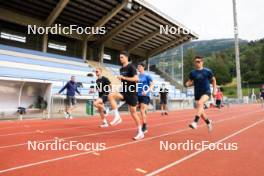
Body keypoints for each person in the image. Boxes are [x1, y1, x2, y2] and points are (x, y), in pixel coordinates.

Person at [108, 51, 144, 140]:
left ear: (127, 57)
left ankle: (140, 132)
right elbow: (124, 82)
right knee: (111, 95)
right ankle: (117, 117)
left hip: (132, 93)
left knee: (133, 113)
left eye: (122, 57)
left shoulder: (131, 66)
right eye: (120, 57)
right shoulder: (121, 69)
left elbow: (136, 79)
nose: (120, 59)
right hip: (124, 91)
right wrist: (119, 85)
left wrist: (123, 77)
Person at [185, 56, 217, 132]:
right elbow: (190, 81)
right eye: (196, 61)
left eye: (199, 61)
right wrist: (187, 83)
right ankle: (208, 122)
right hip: (197, 93)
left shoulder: (207, 71)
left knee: (200, 103)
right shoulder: (192, 73)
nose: (197, 63)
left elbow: (214, 81)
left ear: (202, 62)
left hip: (206, 91)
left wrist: (214, 91)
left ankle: (195, 122)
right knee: (201, 110)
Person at [137, 62, 154, 133]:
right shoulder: (137, 76)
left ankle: (144, 126)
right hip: (138, 95)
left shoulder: (147, 76)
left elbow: (152, 85)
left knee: (142, 110)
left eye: (140, 66)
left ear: (143, 67)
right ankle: (144, 123)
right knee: (142, 112)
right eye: (138, 66)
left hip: (145, 95)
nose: (138, 68)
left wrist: (146, 91)